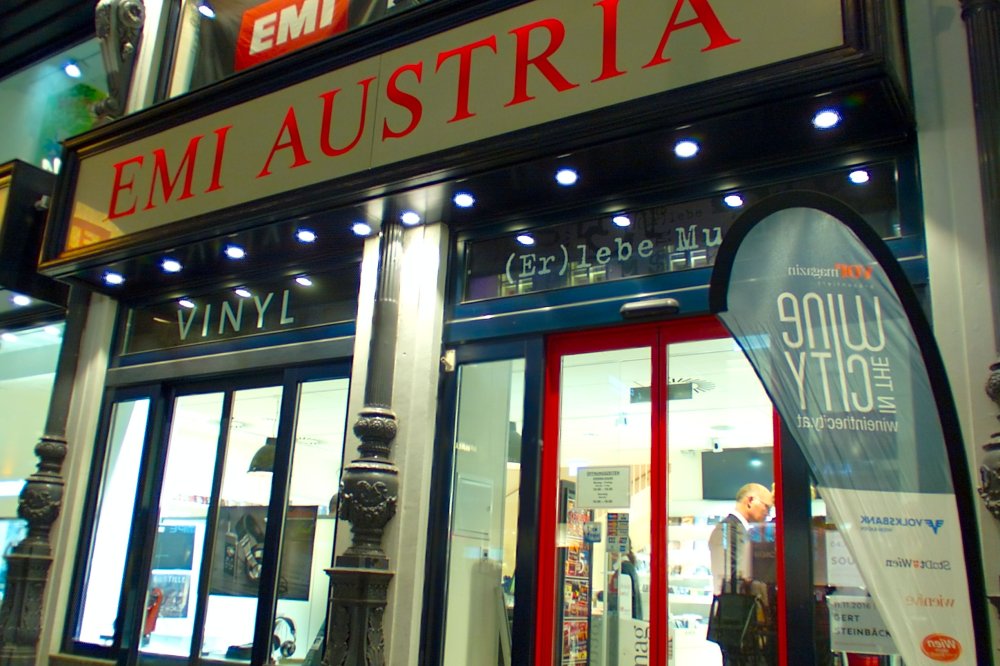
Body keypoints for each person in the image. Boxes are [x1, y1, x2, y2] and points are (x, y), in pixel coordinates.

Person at [707, 482, 775, 665]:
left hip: (738, 615)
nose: (767, 514)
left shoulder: (738, 530)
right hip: (735, 616)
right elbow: (731, 576)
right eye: (766, 507)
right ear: (750, 501)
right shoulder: (728, 529)